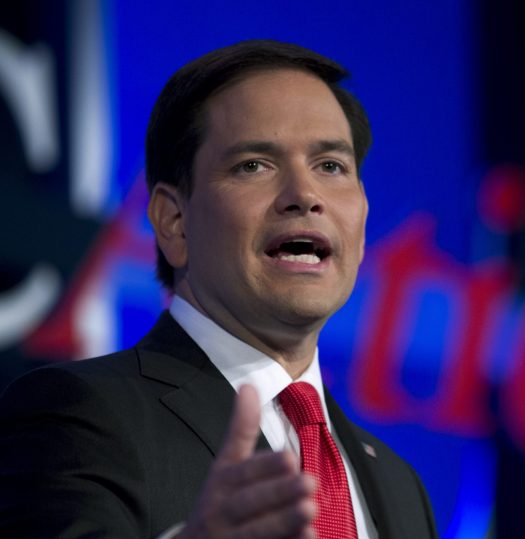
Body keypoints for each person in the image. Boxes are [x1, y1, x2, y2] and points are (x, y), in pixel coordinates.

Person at [0, 40, 437, 539]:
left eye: (330, 166)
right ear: (174, 222)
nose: (305, 196)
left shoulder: (400, 484)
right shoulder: (79, 416)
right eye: (254, 165)